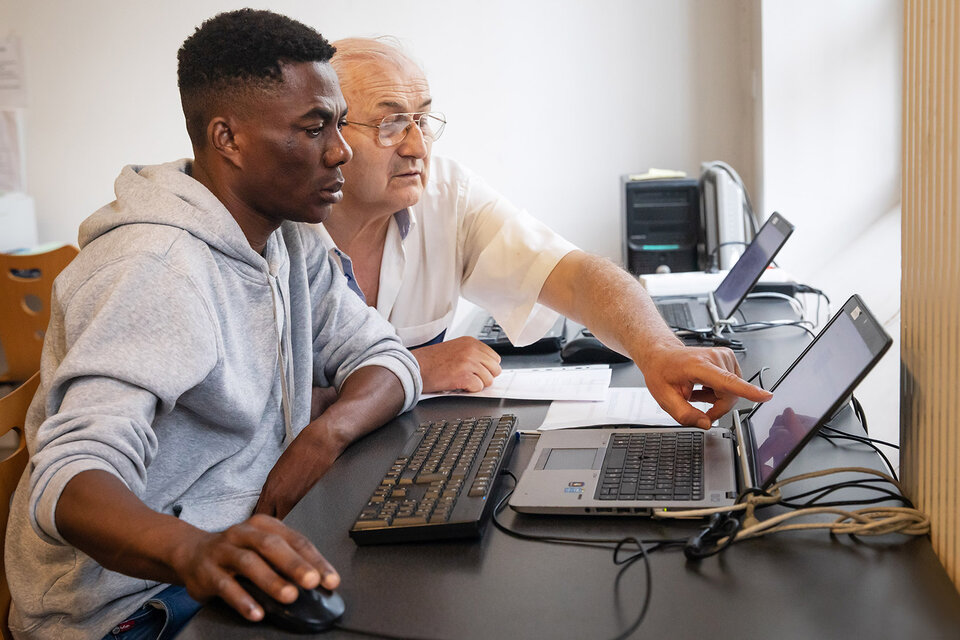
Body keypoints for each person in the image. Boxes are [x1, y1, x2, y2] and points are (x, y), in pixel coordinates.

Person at [4, 10, 421, 640]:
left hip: (239, 545)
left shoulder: (291, 239)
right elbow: (71, 476)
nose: (341, 149)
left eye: (338, 123)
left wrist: (320, 437)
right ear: (227, 138)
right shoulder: (155, 268)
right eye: (313, 128)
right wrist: (194, 551)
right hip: (134, 606)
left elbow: (387, 357)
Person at [319, 37, 770, 427]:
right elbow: (266, 414)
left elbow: (574, 275)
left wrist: (657, 349)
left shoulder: (446, 192)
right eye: (390, 124)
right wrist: (412, 369)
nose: (417, 146)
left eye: (422, 121)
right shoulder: (278, 234)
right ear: (328, 134)